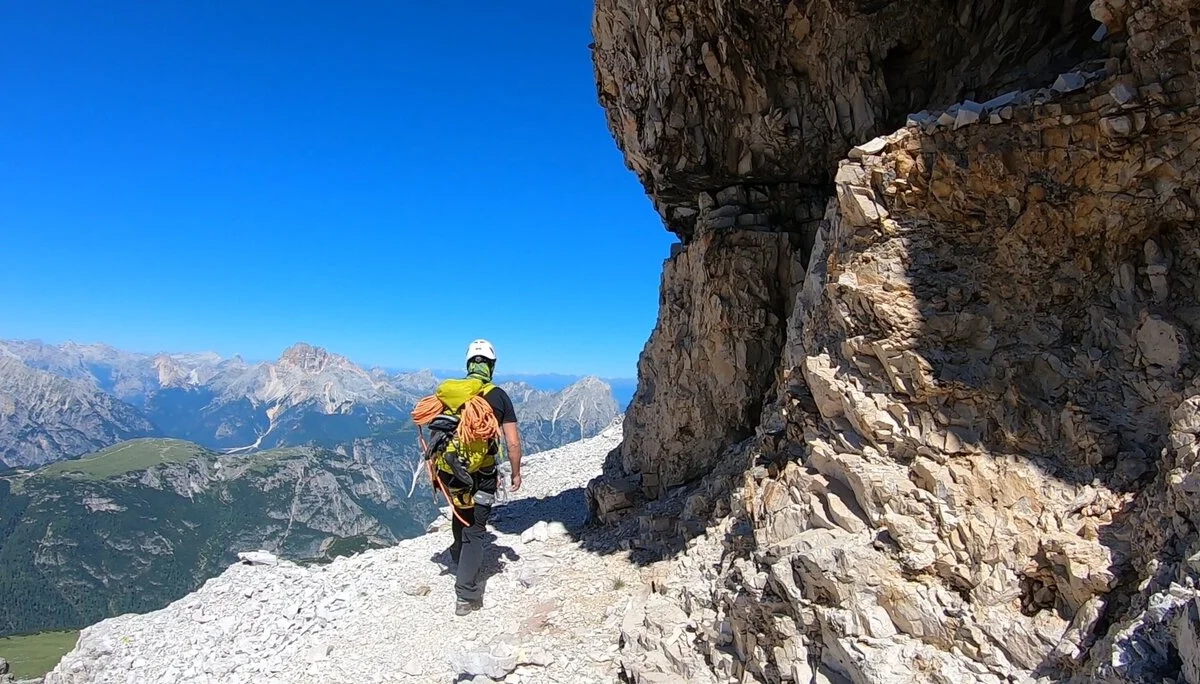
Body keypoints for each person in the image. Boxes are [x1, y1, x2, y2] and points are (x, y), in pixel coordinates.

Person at [437, 339, 522, 616]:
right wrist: (516, 472)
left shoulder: (452, 395)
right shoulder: (498, 396)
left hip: (450, 471)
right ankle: (466, 595)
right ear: (492, 366)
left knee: (460, 512)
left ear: (468, 364)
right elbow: (512, 442)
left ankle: (457, 553)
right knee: (475, 529)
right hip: (482, 473)